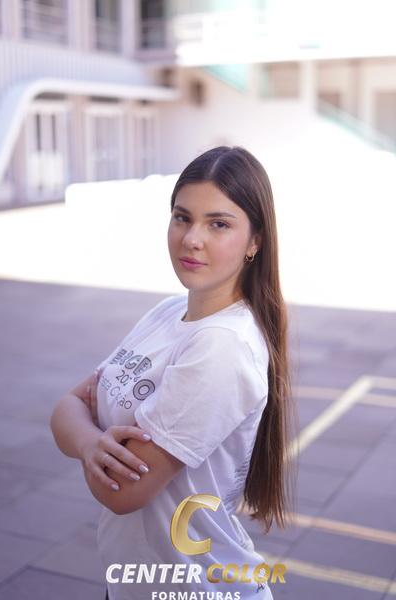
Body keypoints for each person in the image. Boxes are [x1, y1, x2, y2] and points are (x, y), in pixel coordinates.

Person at [50, 146, 298, 600]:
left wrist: (86, 437)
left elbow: (122, 492)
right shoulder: (167, 312)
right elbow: (65, 407)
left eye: (218, 224)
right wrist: (91, 446)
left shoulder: (222, 344)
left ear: (255, 242)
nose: (191, 239)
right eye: (182, 218)